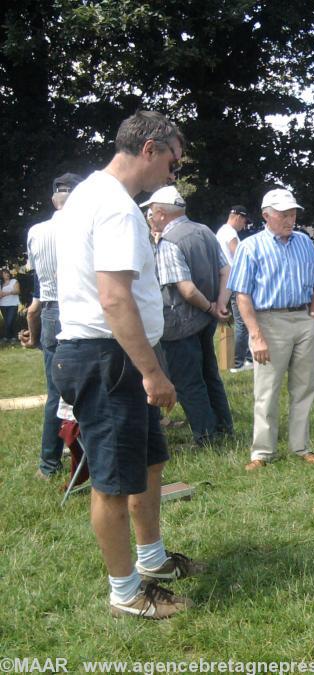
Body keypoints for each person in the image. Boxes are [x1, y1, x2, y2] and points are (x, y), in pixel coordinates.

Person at [52, 110, 203, 620]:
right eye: (173, 161)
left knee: (149, 461)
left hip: (108, 353)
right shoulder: (116, 208)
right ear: (149, 150)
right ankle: (126, 593)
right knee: (114, 482)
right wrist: (153, 372)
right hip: (109, 356)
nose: (173, 174)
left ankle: (153, 560)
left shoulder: (87, 196)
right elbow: (115, 299)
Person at [228, 188, 314, 471]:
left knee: (304, 386)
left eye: (293, 213)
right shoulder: (251, 246)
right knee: (267, 389)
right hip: (269, 322)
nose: (290, 219)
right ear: (266, 215)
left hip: (303, 318)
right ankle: (262, 452)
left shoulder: (305, 242)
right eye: (283, 214)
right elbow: (242, 294)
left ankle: (302, 447)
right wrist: (256, 335)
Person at [143, 186, 234, 445]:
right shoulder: (204, 230)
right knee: (210, 375)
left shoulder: (169, 242)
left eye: (151, 212)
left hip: (179, 322)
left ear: (161, 213)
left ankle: (206, 436)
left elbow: (186, 288)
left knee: (189, 382)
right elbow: (226, 270)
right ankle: (224, 427)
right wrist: (220, 305)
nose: (150, 217)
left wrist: (208, 307)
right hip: (204, 320)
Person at [23, 171, 84, 479]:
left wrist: (32, 331)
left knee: (54, 391)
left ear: (53, 199)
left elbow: (38, 283)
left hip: (49, 311)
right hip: (80, 309)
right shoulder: (86, 227)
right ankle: (86, 452)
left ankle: (48, 464)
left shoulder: (37, 232)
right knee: (89, 384)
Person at [215, 205, 254, 371]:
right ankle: (238, 363)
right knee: (243, 322)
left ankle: (247, 359)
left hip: (228, 282)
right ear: (237, 216)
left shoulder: (221, 231)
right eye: (244, 221)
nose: (244, 225)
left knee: (242, 322)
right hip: (236, 283)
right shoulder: (230, 233)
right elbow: (239, 256)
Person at [0, 268, 19, 340]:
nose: (7, 274)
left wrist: (6, 293)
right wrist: (9, 292)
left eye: (7, 272)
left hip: (13, 304)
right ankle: (12, 337)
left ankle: (7, 336)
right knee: (7, 321)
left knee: (10, 321)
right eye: (4, 273)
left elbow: (17, 291)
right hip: (3, 305)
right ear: (1, 275)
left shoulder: (14, 281)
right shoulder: (1, 284)